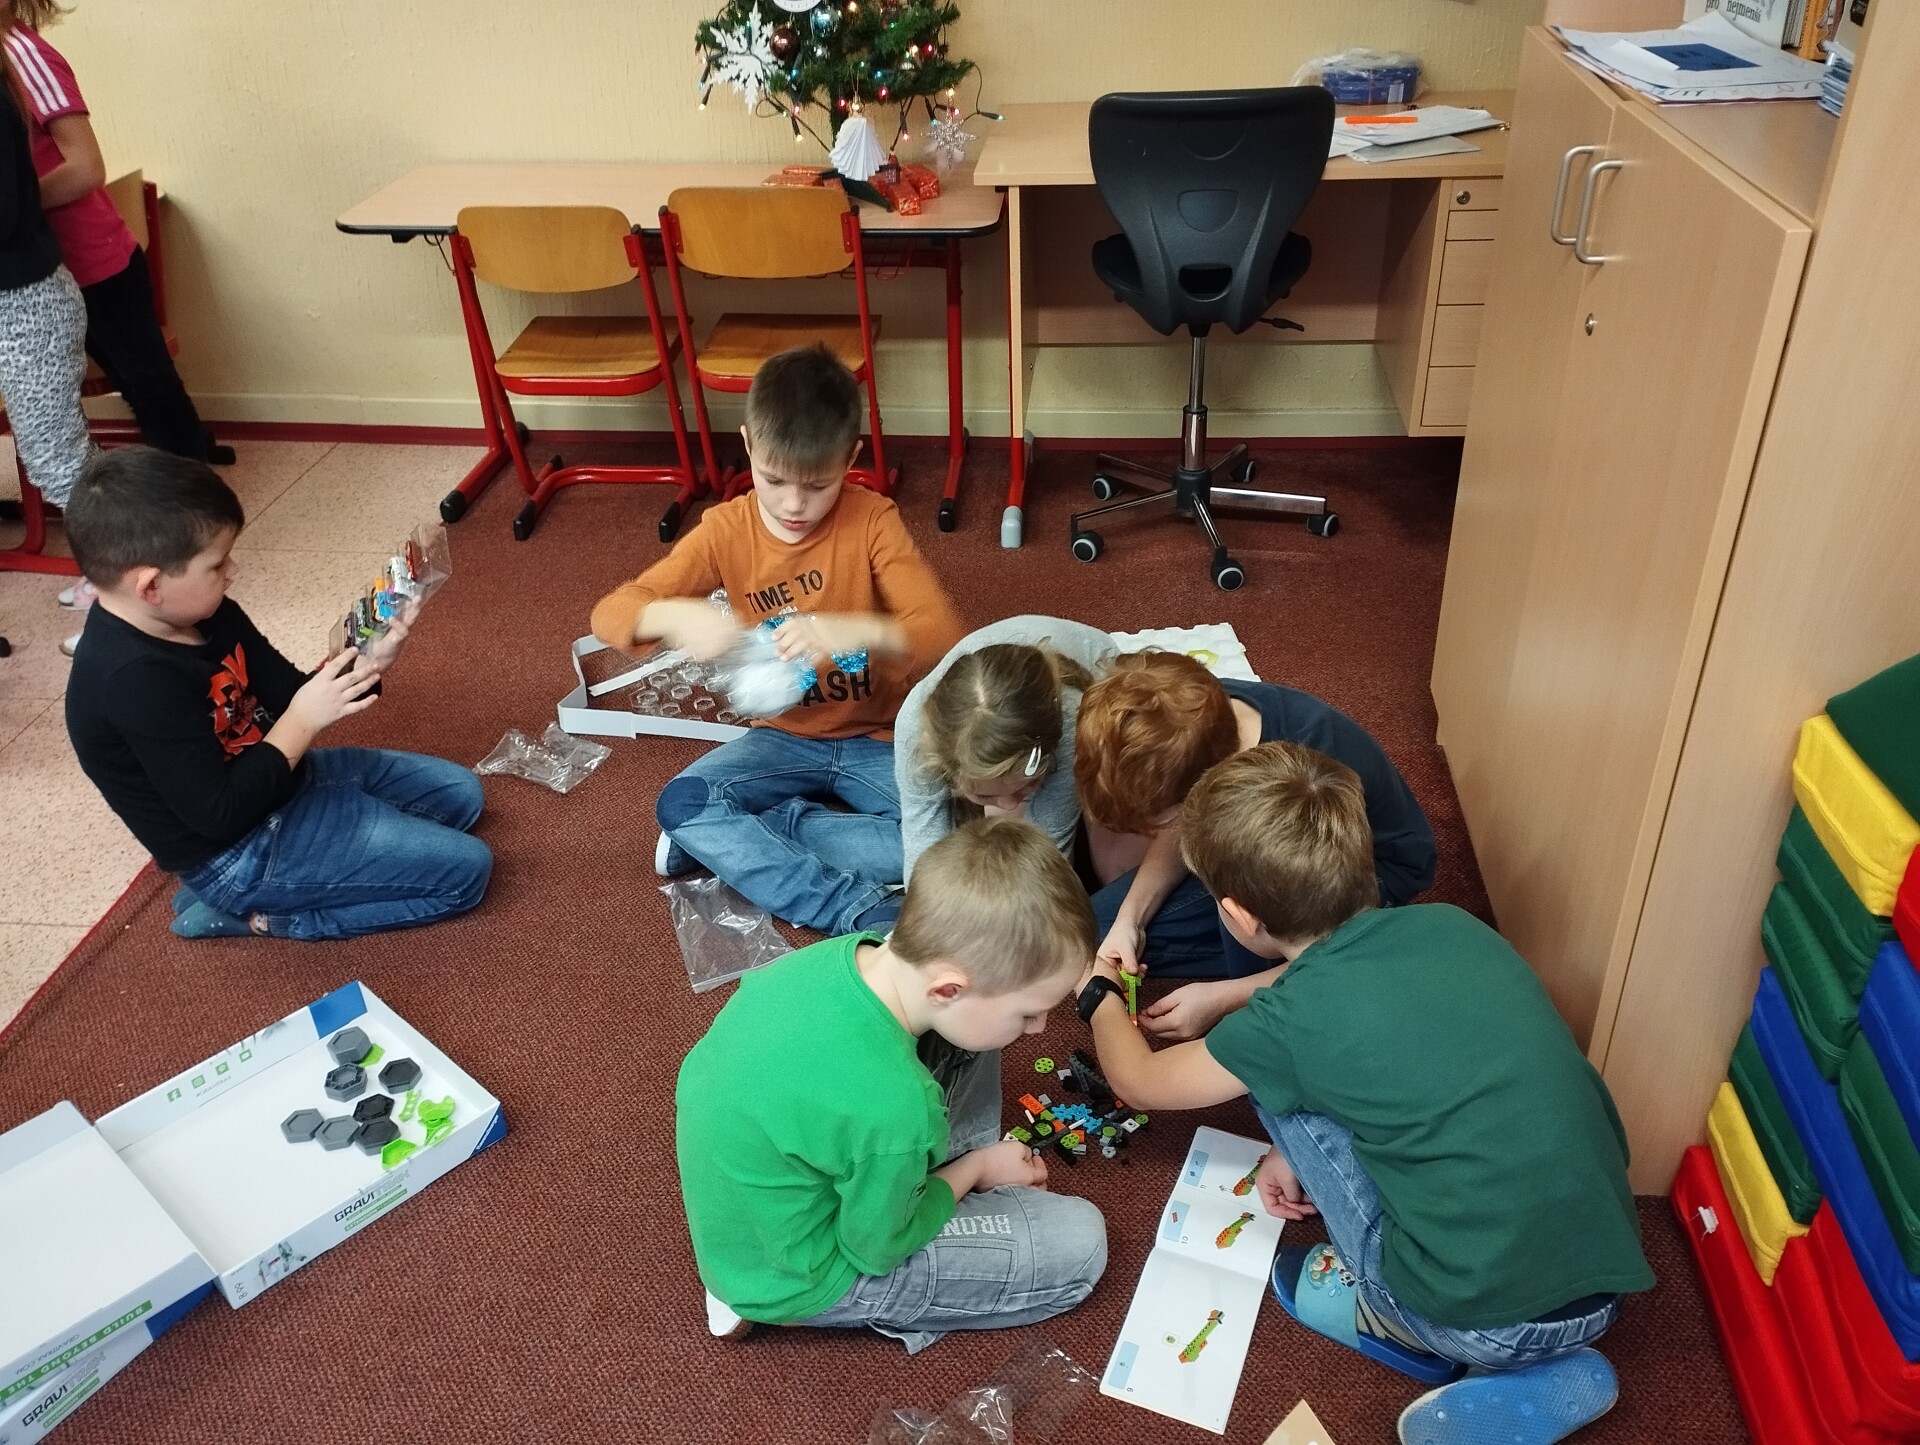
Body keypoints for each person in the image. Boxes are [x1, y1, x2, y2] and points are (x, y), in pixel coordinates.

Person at [1075, 743, 1652, 1445]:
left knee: (1272, 1083)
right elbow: (1363, 1006)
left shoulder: (1285, 1026)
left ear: (1240, 915)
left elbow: (1138, 1081)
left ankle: (1406, 1324)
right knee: (1367, 1072)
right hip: (1607, 1279)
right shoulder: (1453, 923)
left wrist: (1099, 992)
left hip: (1479, 1319)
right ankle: (1542, 1361)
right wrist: (1230, 1001)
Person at [677, 816, 1107, 1353]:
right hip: (802, 1273)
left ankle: (911, 1177)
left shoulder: (846, 955)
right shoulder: (897, 1109)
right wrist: (975, 1169)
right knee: (1081, 1242)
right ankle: (786, 1304)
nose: (1040, 1029)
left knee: (975, 1036)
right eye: (1029, 1014)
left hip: (766, 1189)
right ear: (948, 988)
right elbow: (875, 1250)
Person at [591, 343, 962, 934]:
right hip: (780, 738)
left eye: (817, 485)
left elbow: (941, 631)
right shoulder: (725, 530)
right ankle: (851, 908)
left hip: (879, 735)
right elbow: (610, 612)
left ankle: (765, 837)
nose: (794, 504)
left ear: (851, 457)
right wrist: (672, 616)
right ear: (747, 445)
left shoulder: (871, 519)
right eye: (773, 479)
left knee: (956, 839)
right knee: (683, 801)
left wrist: (853, 628)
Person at [62, 447, 492, 940]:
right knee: (466, 873)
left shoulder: (207, 612)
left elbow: (289, 692)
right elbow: (219, 813)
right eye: (216, 564)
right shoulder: (132, 682)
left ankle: (307, 867)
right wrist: (302, 722)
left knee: (463, 797)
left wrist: (368, 663)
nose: (232, 571)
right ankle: (258, 914)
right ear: (151, 586)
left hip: (285, 779)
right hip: (235, 852)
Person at [4, 2, 231, 651]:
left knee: (148, 387)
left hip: (88, 261)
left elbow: (85, 168)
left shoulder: (22, 53)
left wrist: (18, 201)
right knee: (82, 423)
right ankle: (142, 551)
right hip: (41, 266)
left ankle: (190, 539)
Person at [1076, 649, 1435, 1014]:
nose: (1160, 829)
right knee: (1092, 928)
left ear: (1203, 784)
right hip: (1261, 846)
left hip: (1368, 877)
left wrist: (1229, 996)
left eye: (1164, 817)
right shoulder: (1191, 719)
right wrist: (1130, 920)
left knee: (1272, 939)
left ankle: (1305, 976)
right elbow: (1182, 824)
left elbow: (1324, 922)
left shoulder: (1301, 766)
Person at [895, 615, 1116, 883]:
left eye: (1029, 784)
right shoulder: (914, 730)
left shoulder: (1072, 718)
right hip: (1023, 721)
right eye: (985, 795)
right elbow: (922, 852)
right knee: (991, 846)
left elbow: (1052, 853)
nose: (1009, 804)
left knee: (1110, 860)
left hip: (1100, 681)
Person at [0, 22, 90, 546]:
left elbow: (6, 214)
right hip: (24, 297)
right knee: (59, 459)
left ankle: (139, 573)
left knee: (59, 463)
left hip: (25, 305)